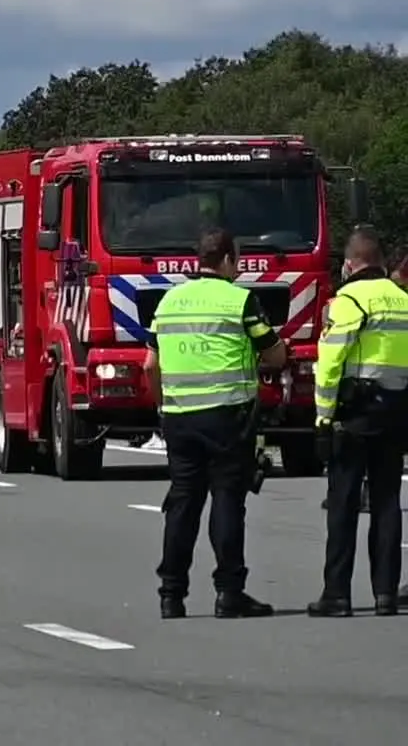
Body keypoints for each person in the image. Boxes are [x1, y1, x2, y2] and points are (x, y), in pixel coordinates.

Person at [144, 228, 282, 620]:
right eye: (236, 262)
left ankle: (171, 596)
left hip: (179, 419)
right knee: (226, 502)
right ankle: (229, 593)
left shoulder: (169, 301)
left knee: (183, 504)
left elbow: (150, 365)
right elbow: (275, 355)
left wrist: (163, 407)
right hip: (228, 417)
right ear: (226, 261)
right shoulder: (240, 300)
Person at [307, 227, 408, 617]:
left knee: (344, 503)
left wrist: (323, 417)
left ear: (350, 264)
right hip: (397, 411)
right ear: (381, 263)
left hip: (356, 413)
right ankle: (385, 594)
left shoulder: (348, 300)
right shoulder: (402, 299)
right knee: (386, 503)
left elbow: (331, 362)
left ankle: (337, 595)